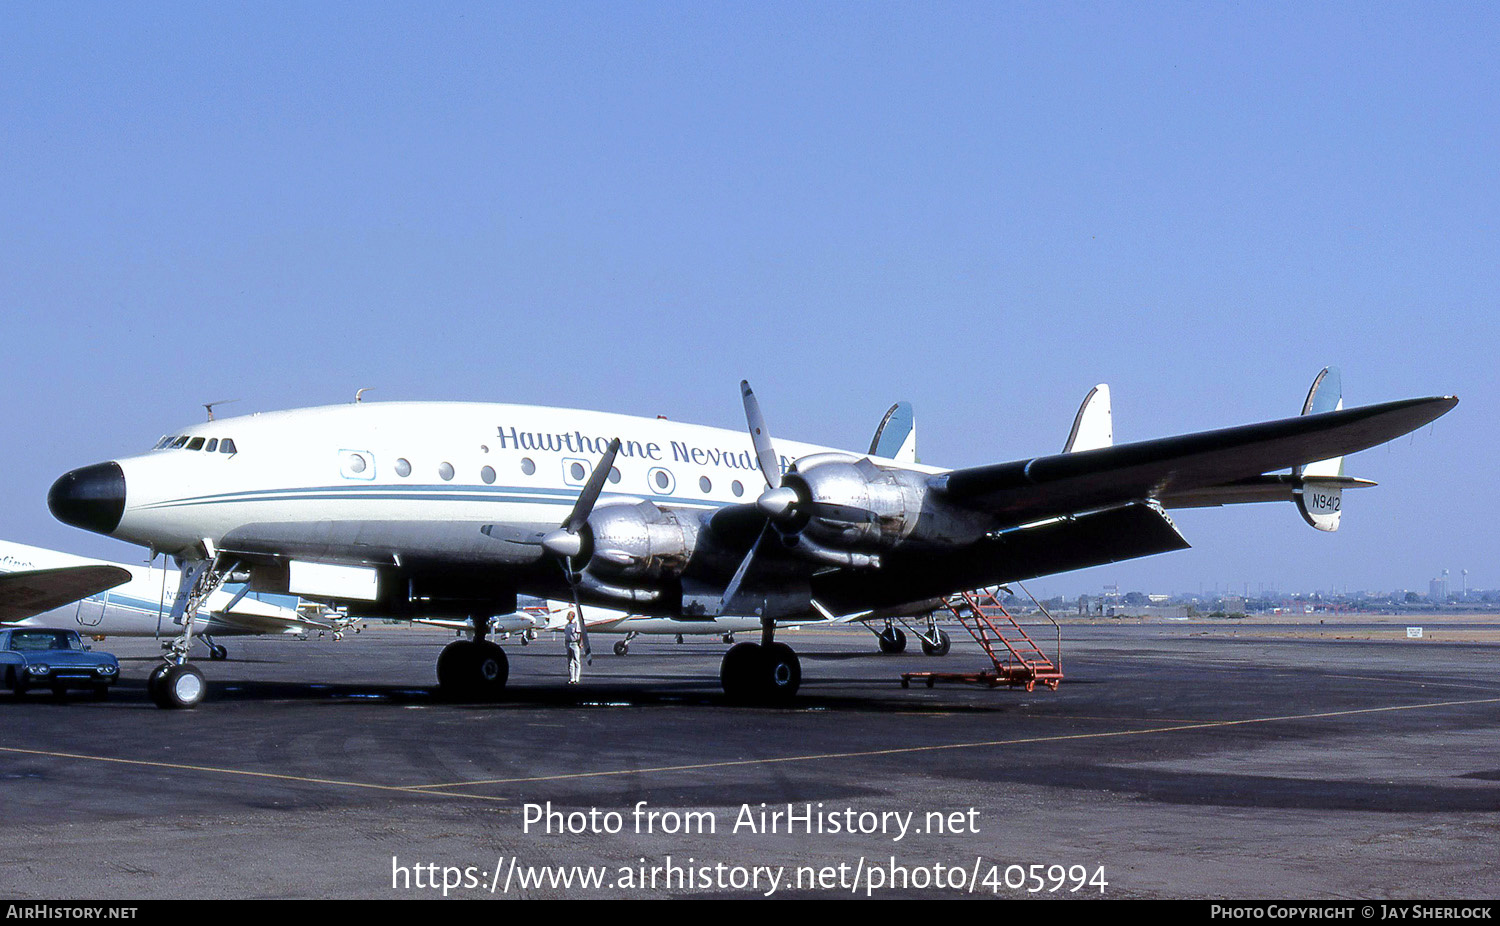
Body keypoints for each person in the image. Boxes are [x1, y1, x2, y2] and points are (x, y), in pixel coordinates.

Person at [565, 611, 583, 685]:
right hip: (569, 643)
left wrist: (580, 643)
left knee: (576, 661)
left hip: (575, 643)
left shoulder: (576, 624)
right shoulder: (567, 625)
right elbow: (566, 635)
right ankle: (572, 678)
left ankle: (577, 678)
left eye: (569, 615)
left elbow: (580, 633)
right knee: (570, 661)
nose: (567, 617)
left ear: (572, 616)